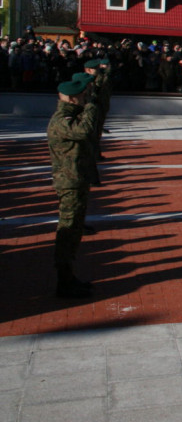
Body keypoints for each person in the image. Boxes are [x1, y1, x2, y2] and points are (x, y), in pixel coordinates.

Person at [47, 74, 100, 298]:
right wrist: (91, 108)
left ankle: (69, 278)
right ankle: (64, 281)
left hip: (77, 179)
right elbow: (84, 131)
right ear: (71, 98)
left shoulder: (70, 116)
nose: (85, 98)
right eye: (82, 96)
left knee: (75, 230)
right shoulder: (61, 120)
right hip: (69, 181)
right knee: (68, 231)